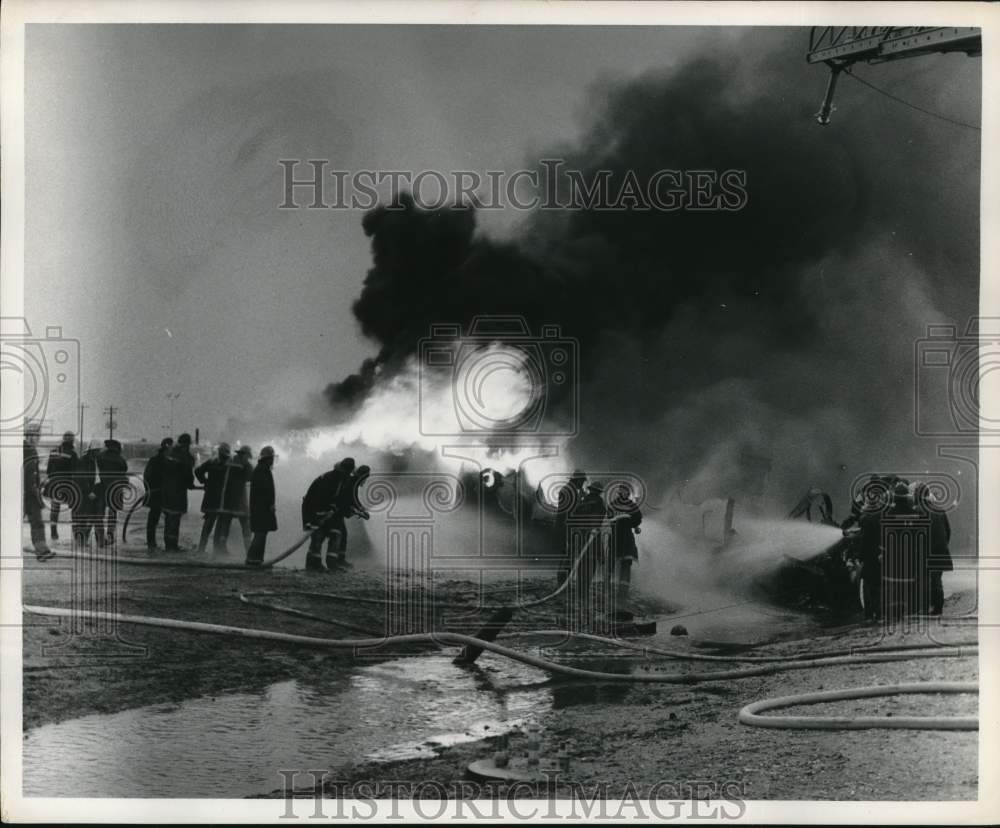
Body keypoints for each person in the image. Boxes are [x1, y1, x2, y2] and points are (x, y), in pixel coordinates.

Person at [301, 457, 356, 572]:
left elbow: (341, 499)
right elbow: (319, 498)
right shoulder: (329, 479)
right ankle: (313, 564)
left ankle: (332, 563)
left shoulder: (342, 480)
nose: (348, 475)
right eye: (347, 473)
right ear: (343, 471)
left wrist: (345, 509)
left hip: (328, 512)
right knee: (318, 535)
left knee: (336, 533)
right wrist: (323, 513)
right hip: (313, 509)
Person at [194, 442, 250, 554]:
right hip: (221, 500)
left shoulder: (212, 462)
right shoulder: (229, 465)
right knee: (218, 525)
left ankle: (204, 548)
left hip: (212, 498)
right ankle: (216, 549)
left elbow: (198, 471)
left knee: (210, 525)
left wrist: (205, 482)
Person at [914, 482, 953, 615]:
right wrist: (943, 544)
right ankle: (938, 607)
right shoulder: (939, 509)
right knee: (937, 580)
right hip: (940, 549)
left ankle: (925, 608)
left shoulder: (918, 510)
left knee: (924, 579)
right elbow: (948, 530)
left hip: (926, 550)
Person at [606, 483, 642, 609]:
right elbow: (609, 517)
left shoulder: (627, 505)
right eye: (621, 491)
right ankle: (611, 591)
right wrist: (631, 523)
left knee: (624, 563)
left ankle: (621, 593)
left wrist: (632, 523)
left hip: (622, 538)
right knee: (613, 563)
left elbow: (638, 518)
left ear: (627, 492)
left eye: (625, 491)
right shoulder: (618, 505)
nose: (623, 493)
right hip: (619, 537)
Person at [23, 423, 54, 560]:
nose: (36, 438)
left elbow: (32, 473)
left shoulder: (31, 450)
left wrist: (40, 483)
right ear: (28, 436)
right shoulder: (24, 449)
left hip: (31, 493)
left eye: (37, 436)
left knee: (37, 521)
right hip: (22, 492)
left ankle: (42, 550)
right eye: (34, 435)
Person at [161, 433, 196, 552]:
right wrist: (190, 484)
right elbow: (187, 473)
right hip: (178, 492)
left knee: (168, 518)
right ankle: (173, 546)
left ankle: (167, 545)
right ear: (187, 444)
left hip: (166, 491)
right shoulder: (185, 456)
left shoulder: (169, 454)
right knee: (175, 519)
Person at [552, 470, 588, 584]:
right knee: (568, 555)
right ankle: (562, 581)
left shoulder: (571, 490)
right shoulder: (568, 491)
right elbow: (569, 511)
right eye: (582, 481)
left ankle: (563, 581)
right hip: (568, 527)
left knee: (569, 555)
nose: (582, 484)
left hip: (567, 526)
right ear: (577, 480)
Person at [246, 445, 277, 566]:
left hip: (260, 507)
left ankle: (257, 559)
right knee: (260, 533)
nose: (273, 461)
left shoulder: (261, 469)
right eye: (271, 458)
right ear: (268, 459)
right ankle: (253, 559)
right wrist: (269, 504)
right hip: (261, 509)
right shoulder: (262, 470)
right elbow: (265, 491)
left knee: (262, 532)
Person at [44, 431, 78, 540]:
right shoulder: (72, 454)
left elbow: (48, 470)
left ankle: (53, 533)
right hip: (67, 484)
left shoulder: (53, 451)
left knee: (55, 509)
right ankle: (75, 533)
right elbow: (75, 472)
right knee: (75, 507)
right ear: (72, 441)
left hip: (54, 483)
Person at [72, 440, 105, 548]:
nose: (99, 453)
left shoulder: (96, 461)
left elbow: (99, 478)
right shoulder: (83, 461)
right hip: (85, 493)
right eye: (97, 451)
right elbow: (81, 478)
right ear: (92, 451)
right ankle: (81, 540)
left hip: (95, 492)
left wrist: (96, 492)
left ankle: (94, 540)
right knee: (84, 517)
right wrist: (88, 492)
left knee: (94, 517)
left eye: (99, 451)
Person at [97, 439, 130, 546]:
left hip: (101, 488)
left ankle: (100, 538)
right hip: (115, 489)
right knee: (112, 512)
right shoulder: (120, 459)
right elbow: (124, 470)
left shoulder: (100, 456)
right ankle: (110, 536)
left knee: (99, 513)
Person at [143, 437, 173, 551]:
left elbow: (146, 476)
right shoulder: (167, 462)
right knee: (167, 518)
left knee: (153, 518)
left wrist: (148, 490)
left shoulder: (154, 460)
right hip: (162, 493)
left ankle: (152, 543)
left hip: (156, 493)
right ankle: (167, 544)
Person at [234, 445, 254, 552]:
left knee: (224, 523)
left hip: (228, 499)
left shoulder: (231, 462)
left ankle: (219, 547)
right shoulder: (246, 465)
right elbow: (252, 477)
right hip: (240, 498)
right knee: (246, 525)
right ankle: (248, 550)